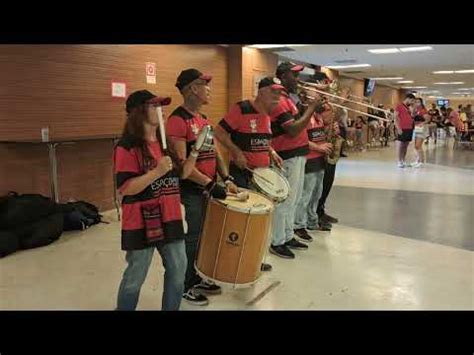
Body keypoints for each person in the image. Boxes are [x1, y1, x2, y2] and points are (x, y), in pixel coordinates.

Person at [114, 90, 198, 311]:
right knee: (135, 277)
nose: (161, 111)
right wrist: (156, 172)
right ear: (137, 112)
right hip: (141, 221)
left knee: (178, 270)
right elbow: (126, 187)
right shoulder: (126, 147)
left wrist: (197, 150)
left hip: (170, 217)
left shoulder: (164, 144)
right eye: (154, 106)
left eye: (161, 106)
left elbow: (182, 173)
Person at [166, 68, 239, 306]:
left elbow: (214, 150)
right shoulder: (178, 120)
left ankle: (197, 275)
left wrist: (225, 177)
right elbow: (180, 165)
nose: (209, 89)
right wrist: (208, 183)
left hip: (208, 187)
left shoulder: (203, 118)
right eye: (204, 84)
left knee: (205, 236)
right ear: (192, 89)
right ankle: (186, 284)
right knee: (194, 236)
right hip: (191, 191)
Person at [213, 76, 285, 270]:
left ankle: (252, 257)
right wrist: (236, 151)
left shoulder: (268, 115)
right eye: (273, 92)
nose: (277, 97)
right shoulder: (241, 109)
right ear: (261, 92)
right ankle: (234, 260)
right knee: (241, 219)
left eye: (279, 92)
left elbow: (263, 139)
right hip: (242, 173)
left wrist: (272, 152)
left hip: (261, 175)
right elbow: (218, 132)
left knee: (258, 220)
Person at [267, 62, 321, 259]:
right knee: (285, 200)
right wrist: (312, 108)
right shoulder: (279, 102)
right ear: (282, 76)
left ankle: (288, 235)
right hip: (287, 156)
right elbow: (294, 129)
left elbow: (299, 123)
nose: (298, 80)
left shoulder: (289, 100)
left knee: (295, 199)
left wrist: (307, 107)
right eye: (294, 76)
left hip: (298, 153)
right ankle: (277, 241)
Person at [294, 97, 333, 240]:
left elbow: (320, 137)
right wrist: (320, 148)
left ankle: (312, 221)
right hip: (309, 161)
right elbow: (303, 140)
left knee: (316, 194)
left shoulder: (320, 120)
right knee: (305, 195)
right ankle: (299, 225)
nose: (329, 115)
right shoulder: (306, 121)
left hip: (320, 160)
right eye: (328, 112)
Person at [394, 93, 416, 168]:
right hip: (402, 128)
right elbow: (395, 117)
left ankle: (403, 160)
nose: (412, 102)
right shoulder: (399, 106)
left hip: (409, 128)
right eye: (412, 100)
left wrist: (412, 109)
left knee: (406, 145)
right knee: (401, 145)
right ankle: (399, 161)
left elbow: (412, 116)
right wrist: (398, 128)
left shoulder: (408, 107)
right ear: (408, 98)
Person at [412, 97, 431, 168]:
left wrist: (422, 123)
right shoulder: (416, 110)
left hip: (422, 128)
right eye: (415, 102)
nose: (417, 103)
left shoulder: (423, 110)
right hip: (417, 128)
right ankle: (418, 160)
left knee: (418, 145)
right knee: (416, 146)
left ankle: (421, 161)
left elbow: (428, 119)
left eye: (418, 102)